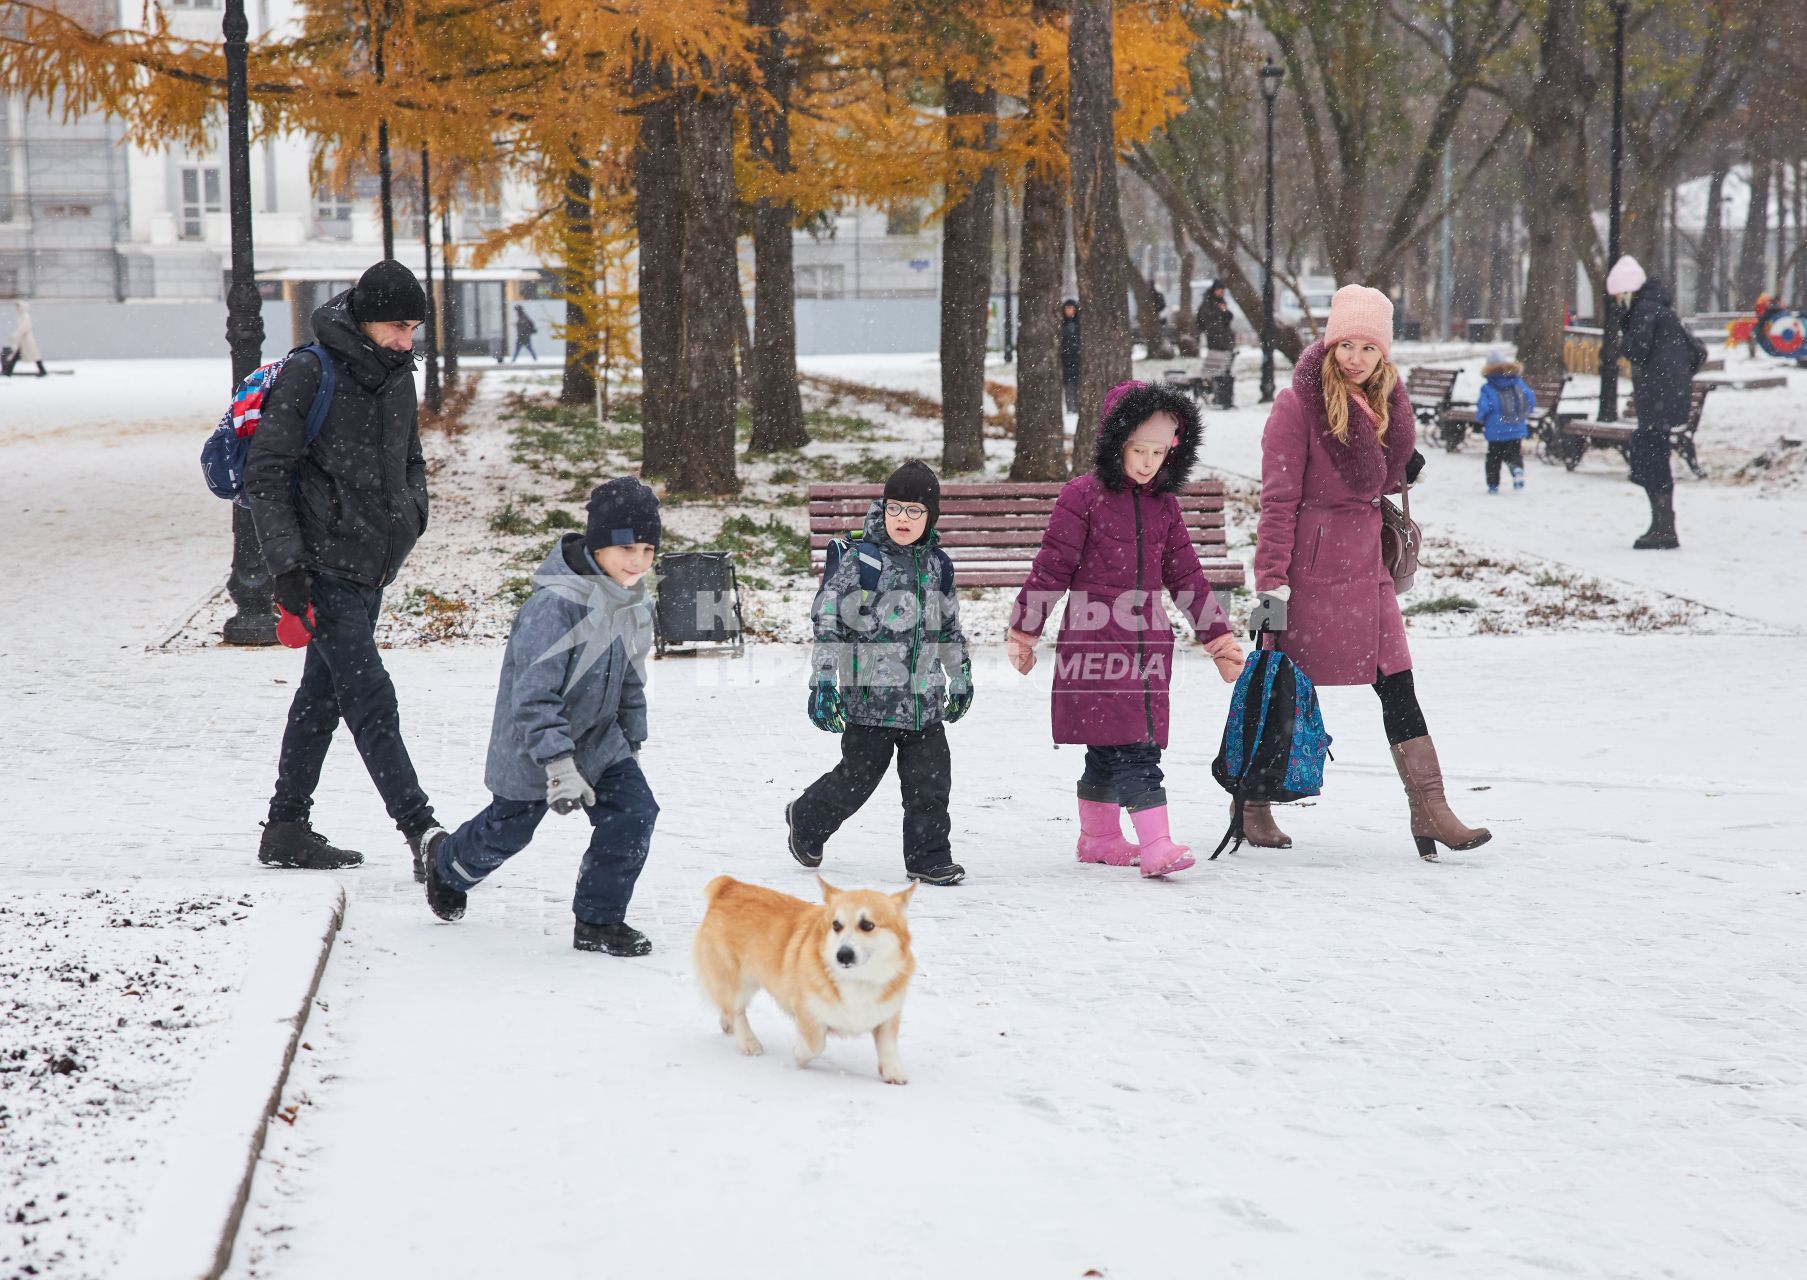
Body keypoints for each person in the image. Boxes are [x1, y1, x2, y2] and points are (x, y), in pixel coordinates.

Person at [1249, 284, 1489, 863]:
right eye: (1345, 344)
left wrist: (1400, 470)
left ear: (1384, 356)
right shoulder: (1296, 406)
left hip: (1368, 571)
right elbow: (1278, 503)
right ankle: (1251, 800)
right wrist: (1268, 593)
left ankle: (1429, 807)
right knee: (1281, 683)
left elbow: (1366, 481)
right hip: (1307, 573)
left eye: (1369, 347)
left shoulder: (1387, 406)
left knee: (1397, 680)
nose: (1355, 357)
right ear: (1330, 345)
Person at [243, 259, 441, 872]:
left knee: (321, 697)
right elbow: (267, 474)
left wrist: (412, 514)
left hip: (372, 565)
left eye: (414, 328)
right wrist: (287, 568)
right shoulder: (311, 371)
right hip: (323, 568)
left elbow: (410, 460)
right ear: (364, 319)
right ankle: (425, 833)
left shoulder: (398, 376)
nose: (408, 341)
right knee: (369, 697)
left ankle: (286, 826)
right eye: (398, 327)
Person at [1007, 382, 1245, 878]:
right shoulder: (1083, 497)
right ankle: (1156, 843)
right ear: (1116, 444)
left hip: (1147, 641)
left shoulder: (1164, 507)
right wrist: (1025, 631)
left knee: (1110, 742)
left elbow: (1187, 577)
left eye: (1159, 452)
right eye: (1139, 449)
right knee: (1135, 744)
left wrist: (1218, 640)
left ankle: (1098, 837)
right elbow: (1051, 568)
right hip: (1094, 639)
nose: (1147, 462)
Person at [422, 477, 662, 956]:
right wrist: (557, 765)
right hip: (533, 749)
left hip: (599, 741)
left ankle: (597, 921)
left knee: (634, 814)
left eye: (648, 550)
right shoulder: (554, 606)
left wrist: (632, 739)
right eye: (627, 548)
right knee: (508, 832)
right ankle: (445, 865)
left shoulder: (632, 603)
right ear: (598, 546)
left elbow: (632, 678)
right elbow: (532, 696)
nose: (638, 562)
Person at [787, 461, 972, 887]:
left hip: (924, 701)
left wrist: (959, 674)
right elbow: (828, 618)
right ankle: (807, 816)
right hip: (870, 699)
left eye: (914, 511)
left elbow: (948, 627)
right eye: (895, 508)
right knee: (856, 779)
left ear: (931, 517)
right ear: (883, 508)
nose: (902, 519)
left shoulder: (938, 566)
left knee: (931, 783)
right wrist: (824, 679)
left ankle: (929, 857)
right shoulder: (863, 561)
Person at [1609, 255, 1696, 549]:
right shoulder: (1663, 310)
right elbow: (1697, 352)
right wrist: (1677, 378)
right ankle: (1662, 524)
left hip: (1658, 399)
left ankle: (1664, 528)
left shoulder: (1645, 310)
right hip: (1665, 398)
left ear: (1627, 291)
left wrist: (1620, 335)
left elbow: (1636, 350)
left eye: (1619, 295)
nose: (1618, 301)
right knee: (1649, 453)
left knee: (1650, 455)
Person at [1476, 350, 1535, 494]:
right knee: (1514, 453)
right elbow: (1530, 399)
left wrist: (1480, 417)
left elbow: (1484, 406)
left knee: (1493, 458)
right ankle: (1517, 469)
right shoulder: (1517, 382)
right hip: (1516, 427)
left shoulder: (1488, 386)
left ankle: (1493, 484)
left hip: (1496, 429)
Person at [1197, 280, 1236, 408]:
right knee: (1216, 366)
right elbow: (1204, 320)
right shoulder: (1208, 303)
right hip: (1216, 340)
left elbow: (1228, 318)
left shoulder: (1221, 302)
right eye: (1219, 290)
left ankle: (1220, 393)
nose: (1221, 292)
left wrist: (1225, 312)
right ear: (1214, 290)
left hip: (1225, 339)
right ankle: (1213, 390)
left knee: (1224, 368)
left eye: (1222, 290)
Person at [2, 300, 46, 377]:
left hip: (27, 341)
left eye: (18, 307)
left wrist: (15, 335)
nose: (17, 309)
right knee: (17, 355)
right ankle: (8, 371)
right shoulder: (22, 316)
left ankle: (8, 371)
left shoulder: (25, 316)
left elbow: (24, 328)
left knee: (33, 355)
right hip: (23, 341)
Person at [1058, 299, 1082, 413]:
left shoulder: (1080, 325)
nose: (1069, 311)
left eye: (1071, 308)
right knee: (1069, 387)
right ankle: (1070, 409)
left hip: (1078, 361)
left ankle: (1077, 408)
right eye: (1067, 308)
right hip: (1066, 361)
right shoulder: (1062, 324)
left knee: (1079, 386)